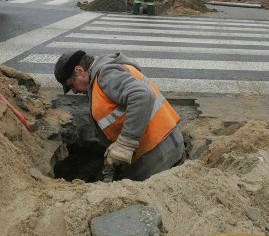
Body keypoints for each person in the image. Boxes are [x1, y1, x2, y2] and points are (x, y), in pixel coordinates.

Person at [54, 50, 184, 181]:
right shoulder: (101, 78)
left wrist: (125, 144)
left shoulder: (106, 74)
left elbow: (142, 96)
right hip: (159, 147)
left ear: (80, 70)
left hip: (159, 152)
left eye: (72, 85)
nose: (75, 91)